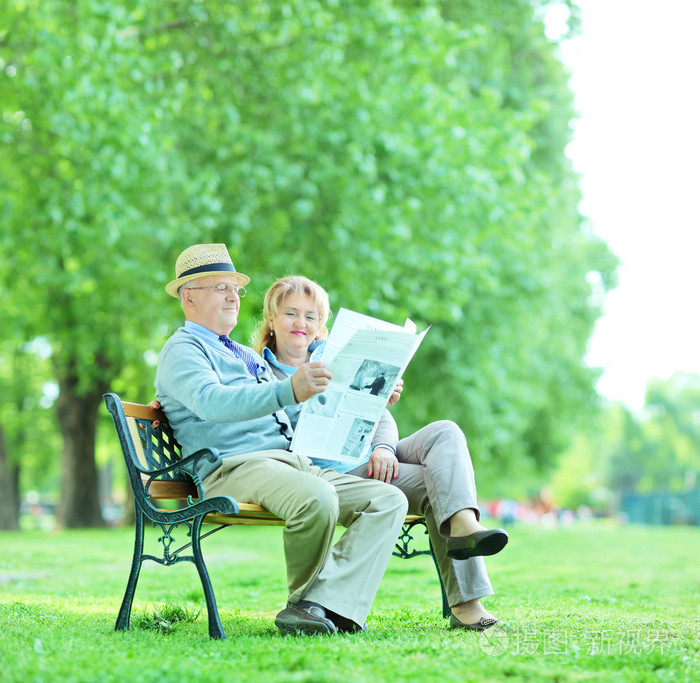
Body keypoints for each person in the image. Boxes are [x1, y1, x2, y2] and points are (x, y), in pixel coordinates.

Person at [154, 244, 409, 636]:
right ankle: (306, 606)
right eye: (220, 288)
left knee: (388, 499)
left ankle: (319, 605)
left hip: (290, 463)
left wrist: (370, 399)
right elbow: (211, 403)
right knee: (317, 497)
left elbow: (294, 411)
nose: (232, 297)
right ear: (189, 297)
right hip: (232, 467)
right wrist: (289, 389)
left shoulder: (244, 354)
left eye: (235, 290)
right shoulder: (183, 349)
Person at [253, 275, 509, 631]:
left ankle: (465, 525)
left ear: (320, 325)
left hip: (371, 461)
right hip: (329, 475)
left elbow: (382, 420)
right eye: (291, 313)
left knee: (446, 433)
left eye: (311, 316)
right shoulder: (258, 372)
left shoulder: (336, 357)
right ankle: (467, 606)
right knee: (440, 485)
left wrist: (383, 440)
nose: (301, 324)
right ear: (271, 319)